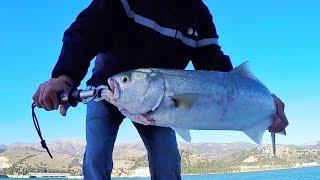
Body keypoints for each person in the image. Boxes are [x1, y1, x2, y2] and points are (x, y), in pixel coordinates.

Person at [32, 0, 288, 179]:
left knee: (167, 159)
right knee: (97, 153)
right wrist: (64, 77)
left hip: (163, 100)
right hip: (108, 88)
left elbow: (213, 65)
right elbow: (85, 32)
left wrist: (262, 102)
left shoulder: (198, 12)